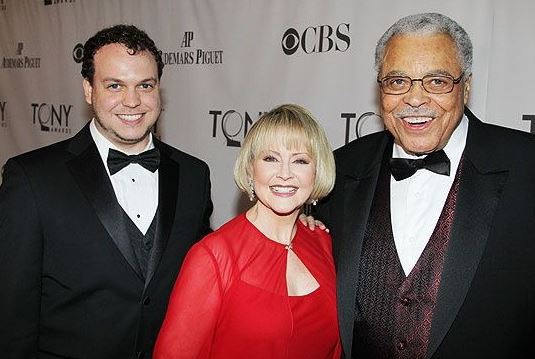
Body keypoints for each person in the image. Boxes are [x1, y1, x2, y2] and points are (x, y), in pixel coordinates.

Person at [318, 12, 535, 359]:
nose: (415, 99)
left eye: (436, 81)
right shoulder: (338, 169)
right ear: (381, 90)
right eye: (397, 81)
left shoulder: (528, 169)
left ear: (465, 86)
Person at [0, 25, 213, 358]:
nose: (132, 101)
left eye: (145, 85)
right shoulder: (32, 179)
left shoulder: (194, 175)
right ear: (88, 90)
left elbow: (212, 270)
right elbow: (11, 316)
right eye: (115, 85)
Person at [153, 104, 341, 359]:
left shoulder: (324, 242)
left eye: (300, 160)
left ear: (317, 172)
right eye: (270, 158)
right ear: (251, 168)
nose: (284, 174)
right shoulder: (213, 257)